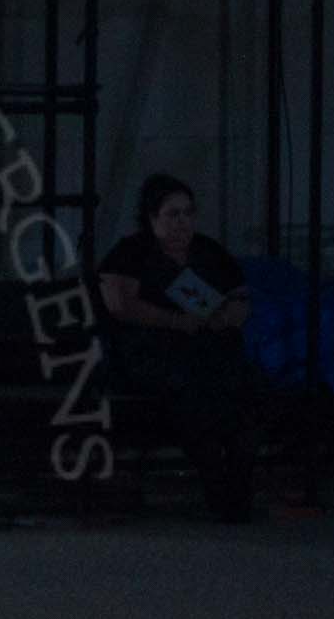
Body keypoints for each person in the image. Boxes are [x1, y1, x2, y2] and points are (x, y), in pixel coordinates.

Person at [98, 172, 261, 521]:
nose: (182, 222)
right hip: (152, 351)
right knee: (191, 391)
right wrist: (175, 321)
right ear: (152, 217)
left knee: (239, 387)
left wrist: (225, 317)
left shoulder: (208, 251)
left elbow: (241, 298)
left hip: (209, 348)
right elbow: (120, 304)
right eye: (173, 214)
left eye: (188, 213)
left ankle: (237, 482)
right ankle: (217, 482)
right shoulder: (131, 253)